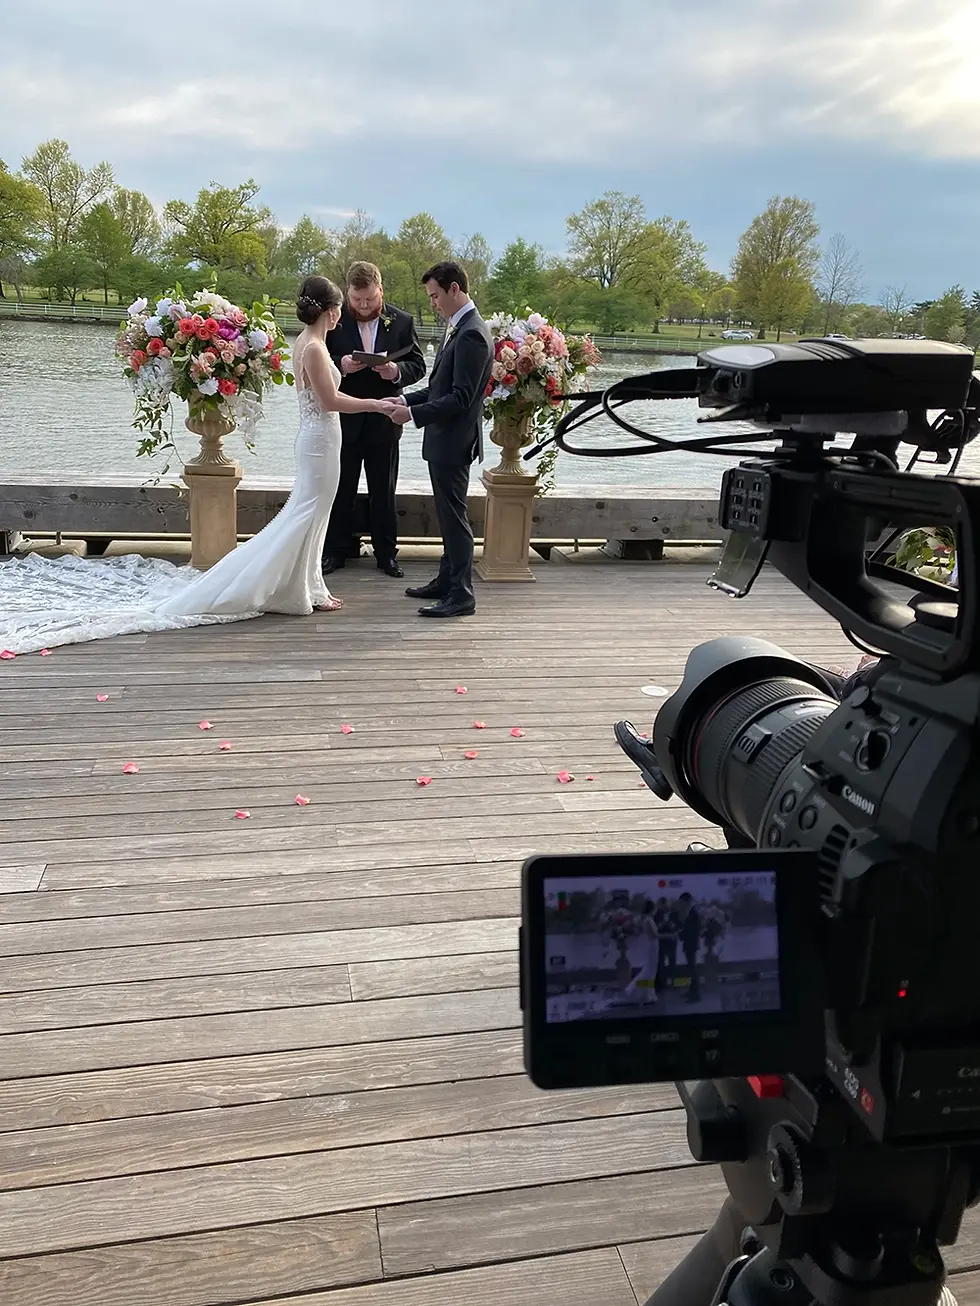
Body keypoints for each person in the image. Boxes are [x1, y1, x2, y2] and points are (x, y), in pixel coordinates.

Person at [0, 276, 392, 654]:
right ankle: (290, 586)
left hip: (318, 439)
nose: (342, 316)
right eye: (339, 308)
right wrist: (377, 404)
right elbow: (330, 401)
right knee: (307, 512)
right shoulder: (315, 349)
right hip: (321, 439)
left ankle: (310, 585)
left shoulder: (306, 343)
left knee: (312, 512)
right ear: (331, 311)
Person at [386, 261, 493, 619]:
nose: (433, 302)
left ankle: (462, 594)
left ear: (454, 289)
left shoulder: (472, 334)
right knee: (448, 515)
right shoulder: (459, 328)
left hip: (453, 440)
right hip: (445, 439)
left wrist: (413, 416)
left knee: (454, 517)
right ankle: (447, 580)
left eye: (435, 295)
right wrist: (403, 400)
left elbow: (461, 397)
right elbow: (437, 388)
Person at [321, 261, 425, 579]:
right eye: (357, 300)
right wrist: (341, 364)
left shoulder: (402, 321)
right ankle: (336, 551)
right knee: (341, 488)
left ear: (380, 290)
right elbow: (316, 358)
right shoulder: (334, 322)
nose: (363, 306)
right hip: (345, 418)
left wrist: (396, 371)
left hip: (385, 419)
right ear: (348, 293)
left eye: (369, 299)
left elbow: (418, 365)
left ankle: (386, 555)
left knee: (384, 490)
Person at [623, 900, 660, 1005]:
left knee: (649, 971)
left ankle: (648, 994)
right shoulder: (649, 920)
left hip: (651, 945)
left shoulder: (645, 919)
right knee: (650, 971)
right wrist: (669, 935)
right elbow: (654, 935)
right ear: (652, 909)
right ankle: (646, 994)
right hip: (653, 946)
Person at [677, 892, 703, 1004]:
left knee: (692, 969)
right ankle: (692, 991)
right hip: (690, 944)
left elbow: (692, 931)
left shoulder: (693, 913)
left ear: (686, 901)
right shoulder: (691, 912)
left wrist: (680, 934)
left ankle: (695, 994)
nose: (680, 904)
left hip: (691, 944)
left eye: (681, 902)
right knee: (691, 968)